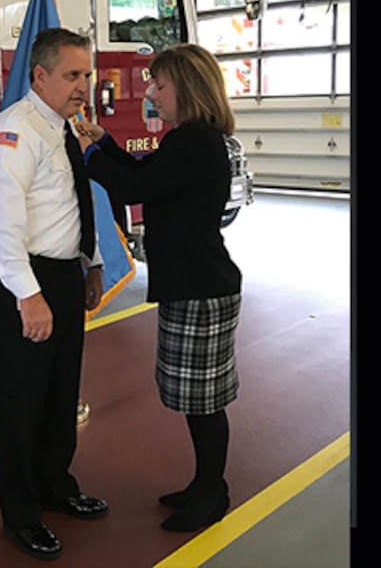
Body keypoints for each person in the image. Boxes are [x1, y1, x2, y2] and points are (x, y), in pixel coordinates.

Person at [73, 43, 242, 533]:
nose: (150, 92)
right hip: (194, 282)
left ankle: (213, 492)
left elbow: (132, 189)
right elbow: (146, 174)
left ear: (186, 89)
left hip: (200, 286)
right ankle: (204, 482)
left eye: (159, 84)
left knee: (203, 401)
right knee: (195, 398)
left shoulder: (195, 144)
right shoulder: (186, 140)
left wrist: (87, 155)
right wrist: (104, 144)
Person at [0, 28, 109, 561]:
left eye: (87, 74)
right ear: (40, 76)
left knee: (58, 393)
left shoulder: (62, 127)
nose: (83, 85)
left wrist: (90, 263)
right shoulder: (15, 132)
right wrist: (29, 296)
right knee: (19, 401)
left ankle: (55, 486)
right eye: (73, 75)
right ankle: (22, 515)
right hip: (20, 281)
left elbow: (73, 203)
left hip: (63, 275)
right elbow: (5, 226)